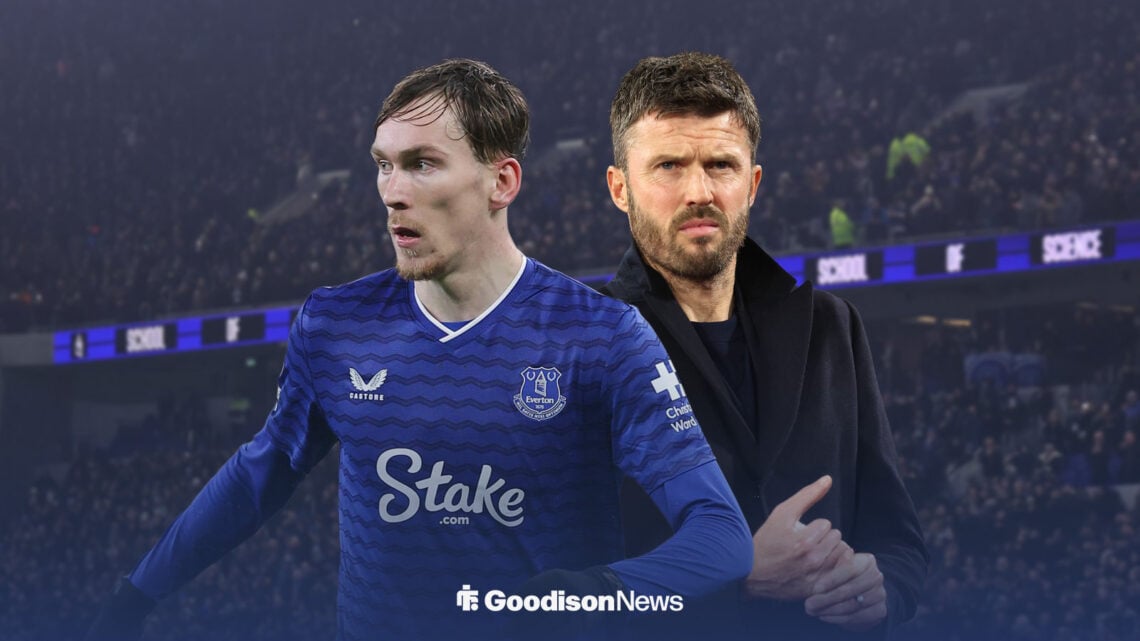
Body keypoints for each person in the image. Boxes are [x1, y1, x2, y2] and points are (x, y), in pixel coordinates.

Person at [85, 59, 753, 641]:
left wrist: (597, 593)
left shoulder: (600, 337)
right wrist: (136, 594)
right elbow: (261, 472)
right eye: (384, 165)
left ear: (502, 182)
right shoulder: (335, 325)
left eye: (422, 164)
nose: (393, 192)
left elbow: (722, 536)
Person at [603, 52, 928, 640]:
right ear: (620, 188)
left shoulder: (831, 326)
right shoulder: (572, 344)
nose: (699, 191)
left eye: (721, 165)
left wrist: (880, 588)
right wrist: (736, 581)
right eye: (669, 166)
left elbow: (898, 540)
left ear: (751, 184)